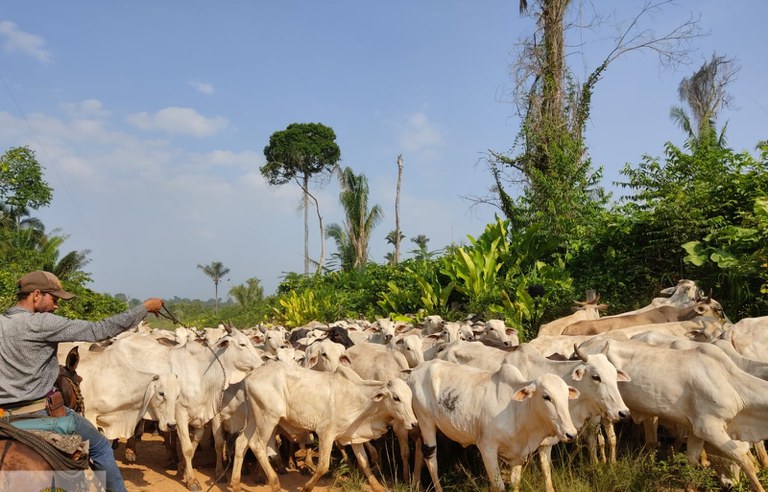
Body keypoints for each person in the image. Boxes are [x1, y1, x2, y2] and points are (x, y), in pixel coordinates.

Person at [0, 270, 163, 492]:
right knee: (102, 448)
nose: (56, 305)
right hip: (42, 413)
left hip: (4, 416)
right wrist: (143, 308)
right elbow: (99, 330)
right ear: (36, 295)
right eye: (54, 298)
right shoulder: (41, 323)